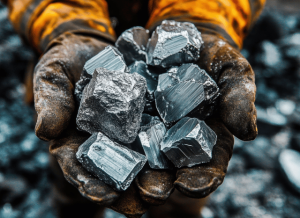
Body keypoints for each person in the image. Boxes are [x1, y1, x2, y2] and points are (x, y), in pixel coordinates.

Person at [2, 0, 265, 217]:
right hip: (79, 57)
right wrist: (69, 25)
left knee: (184, 197)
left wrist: (202, 17)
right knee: (72, 176)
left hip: (180, 29)